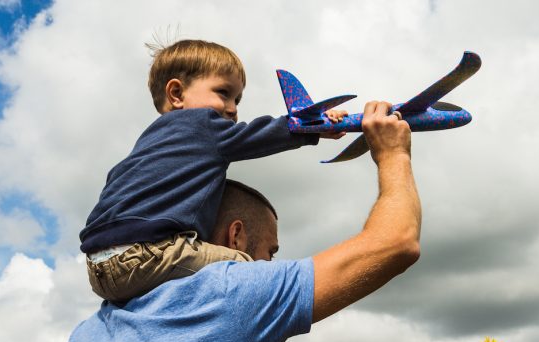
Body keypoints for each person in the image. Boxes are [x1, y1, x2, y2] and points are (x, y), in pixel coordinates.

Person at [14, 100, 419, 342]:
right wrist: (393, 153)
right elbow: (396, 242)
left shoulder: (84, 340)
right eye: (271, 251)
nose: (269, 262)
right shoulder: (233, 294)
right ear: (236, 236)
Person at [81, 39, 345, 304]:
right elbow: (255, 136)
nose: (233, 108)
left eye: (237, 99)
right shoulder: (203, 125)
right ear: (176, 94)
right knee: (249, 268)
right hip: (149, 253)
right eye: (223, 93)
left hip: (98, 268)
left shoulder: (146, 144)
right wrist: (308, 128)